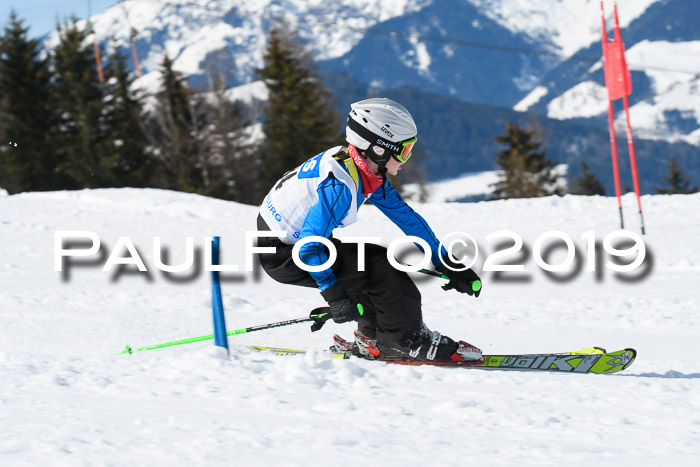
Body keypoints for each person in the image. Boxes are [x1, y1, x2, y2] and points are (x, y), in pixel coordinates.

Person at [256, 98, 482, 362]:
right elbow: (310, 247)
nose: (406, 160)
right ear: (378, 149)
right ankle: (405, 342)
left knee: (369, 264)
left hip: (288, 242)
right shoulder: (340, 184)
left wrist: (444, 261)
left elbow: (406, 217)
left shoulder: (359, 167)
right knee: (380, 268)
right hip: (284, 253)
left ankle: (371, 338)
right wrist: (333, 294)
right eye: (404, 151)